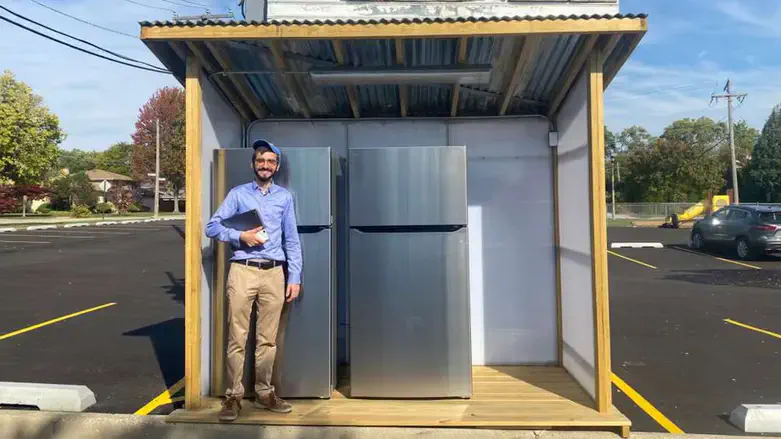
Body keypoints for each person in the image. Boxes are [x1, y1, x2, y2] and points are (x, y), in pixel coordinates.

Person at [205, 139, 302, 421]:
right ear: (253, 164)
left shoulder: (284, 198)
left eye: (270, 161)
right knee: (237, 337)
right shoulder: (237, 194)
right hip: (243, 270)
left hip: (275, 273)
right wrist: (240, 236)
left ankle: (264, 393)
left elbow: (292, 240)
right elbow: (213, 226)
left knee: (267, 340)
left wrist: (294, 276)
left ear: (277, 166)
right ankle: (233, 397)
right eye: (261, 161)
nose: (265, 165)